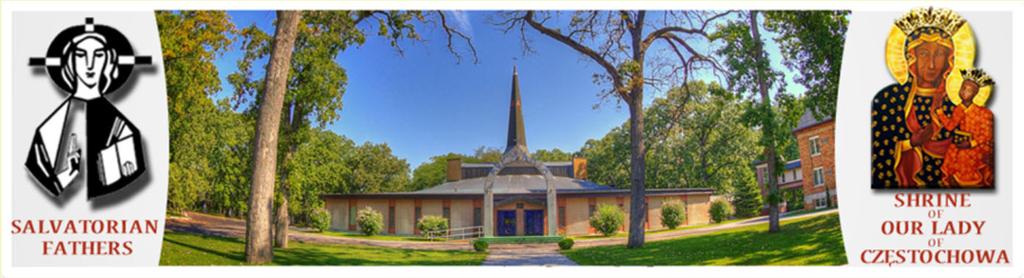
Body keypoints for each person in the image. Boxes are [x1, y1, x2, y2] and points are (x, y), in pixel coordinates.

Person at [872, 8, 969, 188]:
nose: (931, 64)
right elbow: (877, 152)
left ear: (949, 59)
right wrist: (910, 143)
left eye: (939, 54)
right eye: (924, 53)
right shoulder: (889, 100)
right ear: (911, 57)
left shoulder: (956, 104)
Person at [935, 68, 994, 187]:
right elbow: (951, 126)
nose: (965, 92)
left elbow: (987, 135)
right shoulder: (959, 109)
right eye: (963, 88)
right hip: (962, 143)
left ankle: (970, 184)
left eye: (969, 90)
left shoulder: (984, 112)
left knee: (963, 156)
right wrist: (940, 112)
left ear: (975, 93)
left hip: (979, 145)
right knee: (951, 152)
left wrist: (971, 143)